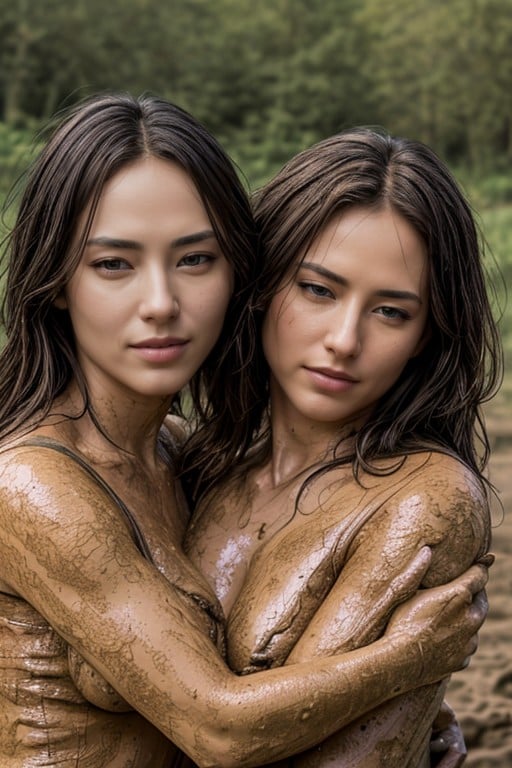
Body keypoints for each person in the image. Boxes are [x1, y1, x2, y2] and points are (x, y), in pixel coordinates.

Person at [0, 94, 488, 768]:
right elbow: (217, 727)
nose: (161, 304)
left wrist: (414, 710)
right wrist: (406, 663)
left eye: (195, 259)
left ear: (241, 272)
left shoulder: (181, 457)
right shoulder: (34, 483)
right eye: (113, 264)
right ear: (56, 279)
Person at [184, 128, 502, 767]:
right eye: (319, 290)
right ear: (263, 284)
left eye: (391, 311)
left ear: (426, 336)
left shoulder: (424, 502)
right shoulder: (194, 467)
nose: (343, 340)